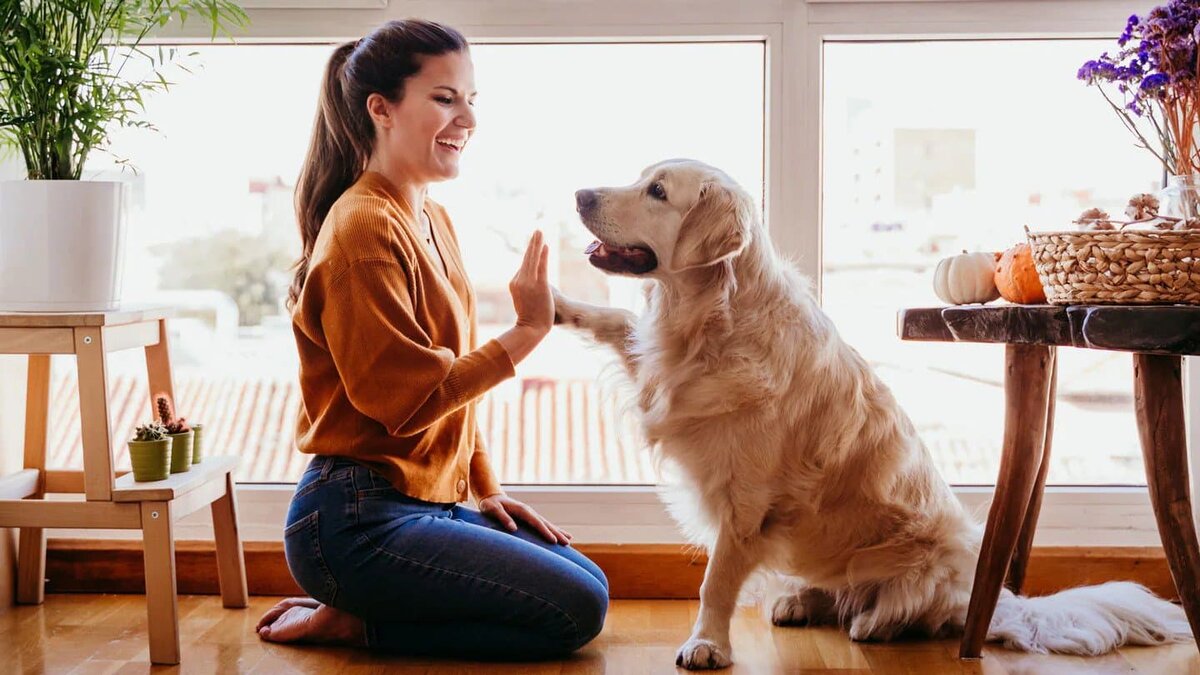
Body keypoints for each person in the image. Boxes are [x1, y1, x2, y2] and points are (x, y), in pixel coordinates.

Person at [255, 18, 609, 659]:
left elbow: (451, 396)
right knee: (576, 611)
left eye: (471, 100)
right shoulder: (363, 229)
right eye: (445, 98)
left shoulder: (429, 215)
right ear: (381, 109)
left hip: (424, 500)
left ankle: (363, 611)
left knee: (590, 582)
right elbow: (407, 403)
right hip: (353, 519)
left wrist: (485, 487)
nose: (466, 118)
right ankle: (355, 622)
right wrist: (529, 331)